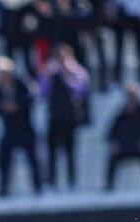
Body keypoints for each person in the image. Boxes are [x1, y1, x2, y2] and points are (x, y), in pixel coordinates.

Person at [0, 56, 42, 195]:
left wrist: (16, 106)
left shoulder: (22, 85)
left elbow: (28, 102)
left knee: (33, 159)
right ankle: (3, 189)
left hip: (25, 128)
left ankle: (38, 187)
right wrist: (4, 108)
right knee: (4, 160)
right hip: (9, 130)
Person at [40, 44, 90, 188]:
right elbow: (43, 92)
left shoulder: (77, 72)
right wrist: (47, 76)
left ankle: (71, 180)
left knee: (70, 150)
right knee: (52, 150)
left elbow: (81, 92)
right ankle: (51, 181)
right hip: (54, 116)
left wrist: (68, 76)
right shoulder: (51, 73)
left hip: (70, 117)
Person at [104, 82, 140, 189]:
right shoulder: (121, 114)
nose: (131, 99)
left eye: (133, 96)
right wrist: (114, 142)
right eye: (129, 96)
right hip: (124, 148)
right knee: (112, 158)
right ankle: (109, 186)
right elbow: (110, 132)